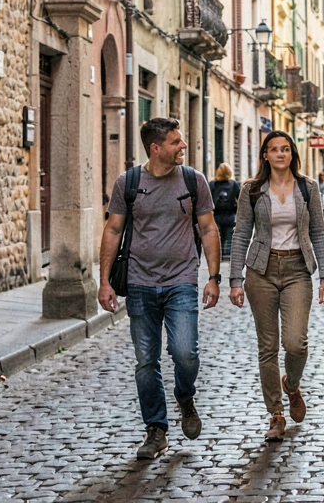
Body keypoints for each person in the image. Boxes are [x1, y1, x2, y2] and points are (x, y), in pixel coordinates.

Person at [97, 117, 223, 461]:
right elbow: (112, 231)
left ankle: (185, 395)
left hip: (182, 280)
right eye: (175, 142)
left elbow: (209, 229)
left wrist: (213, 276)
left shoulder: (194, 180)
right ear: (156, 148)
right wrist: (104, 281)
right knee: (145, 360)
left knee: (185, 353)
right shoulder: (129, 182)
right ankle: (156, 430)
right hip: (139, 282)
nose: (183, 146)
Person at [228, 131, 324, 442]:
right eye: (274, 149)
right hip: (261, 271)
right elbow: (240, 233)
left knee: (296, 343)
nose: (280, 154)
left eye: (285, 149)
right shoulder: (252, 189)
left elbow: (319, 231)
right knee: (268, 347)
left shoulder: (307, 187)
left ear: (292, 154)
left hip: (297, 270)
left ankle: (292, 385)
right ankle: (276, 413)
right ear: (265, 155)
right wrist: (235, 279)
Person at [210, 163, 241, 260]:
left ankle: (218, 255)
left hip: (216, 216)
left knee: (217, 238)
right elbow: (241, 199)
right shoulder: (234, 184)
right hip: (230, 215)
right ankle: (227, 255)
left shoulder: (212, 184)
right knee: (229, 237)